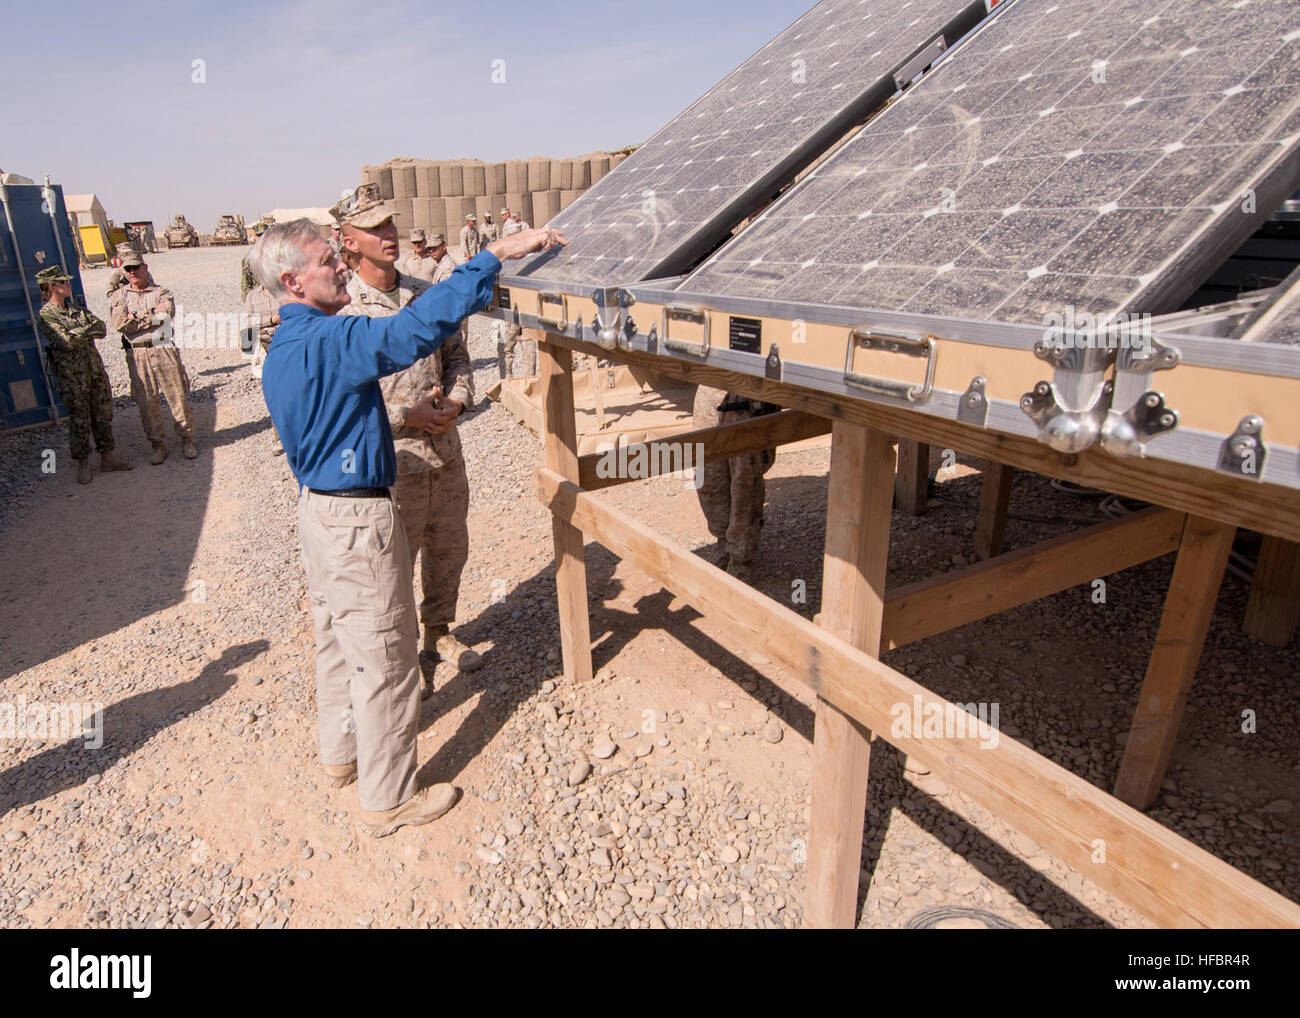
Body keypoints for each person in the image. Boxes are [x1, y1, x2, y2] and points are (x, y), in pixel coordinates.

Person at [251, 212, 565, 837]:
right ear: (292, 281)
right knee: (389, 658)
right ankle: (388, 799)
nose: (340, 266)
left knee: (338, 642)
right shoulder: (327, 340)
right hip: (356, 516)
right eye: (326, 263)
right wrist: (493, 255)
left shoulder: (284, 345)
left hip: (319, 511)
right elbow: (415, 329)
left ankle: (342, 757)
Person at [334, 186, 480, 694]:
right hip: (393, 464)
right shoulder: (343, 309)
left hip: (445, 454)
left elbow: (459, 356)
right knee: (392, 569)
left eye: (390, 224)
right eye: (374, 229)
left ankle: (439, 633)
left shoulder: (426, 293)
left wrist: (458, 401)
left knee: (449, 549)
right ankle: (398, 661)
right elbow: (344, 398)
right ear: (348, 242)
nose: (388, 235)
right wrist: (405, 415)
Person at [34, 266, 134, 483]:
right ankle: (83, 463)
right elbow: (65, 342)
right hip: (72, 378)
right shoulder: (46, 315)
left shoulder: (76, 310)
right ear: (53, 286)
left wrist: (80, 331)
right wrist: (86, 331)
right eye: (64, 282)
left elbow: (101, 327)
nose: (69, 285)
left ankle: (107, 458)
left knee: (102, 414)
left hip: (94, 372)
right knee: (80, 419)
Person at [109, 252, 197, 463]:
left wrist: (136, 316)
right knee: (146, 401)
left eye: (135, 268)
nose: (132, 273)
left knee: (177, 395)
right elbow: (120, 324)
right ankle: (157, 444)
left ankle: (187, 439)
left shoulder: (161, 292)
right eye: (127, 269)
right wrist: (149, 315)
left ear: (145, 267)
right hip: (138, 352)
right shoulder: (120, 296)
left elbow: (165, 315)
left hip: (163, 348)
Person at [692, 385, 775, 582]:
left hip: (746, 386)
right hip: (711, 382)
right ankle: (724, 544)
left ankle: (740, 560)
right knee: (708, 477)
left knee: (744, 481)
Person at [241, 221, 270, 299]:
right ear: (255, 236)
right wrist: (247, 300)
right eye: (259, 235)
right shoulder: (248, 258)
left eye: (265, 235)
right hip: (258, 297)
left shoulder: (276, 255)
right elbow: (246, 282)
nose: (262, 238)